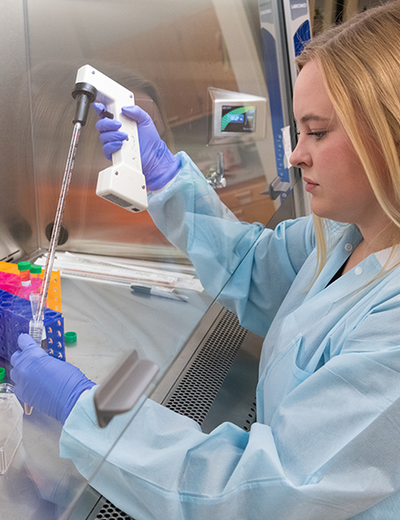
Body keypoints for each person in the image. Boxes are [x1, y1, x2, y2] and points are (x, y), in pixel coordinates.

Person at [10, 2, 400, 518]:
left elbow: (256, 491)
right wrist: (165, 176)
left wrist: (85, 408)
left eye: (318, 131)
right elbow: (256, 269)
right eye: (299, 131)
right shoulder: (347, 233)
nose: (294, 155)